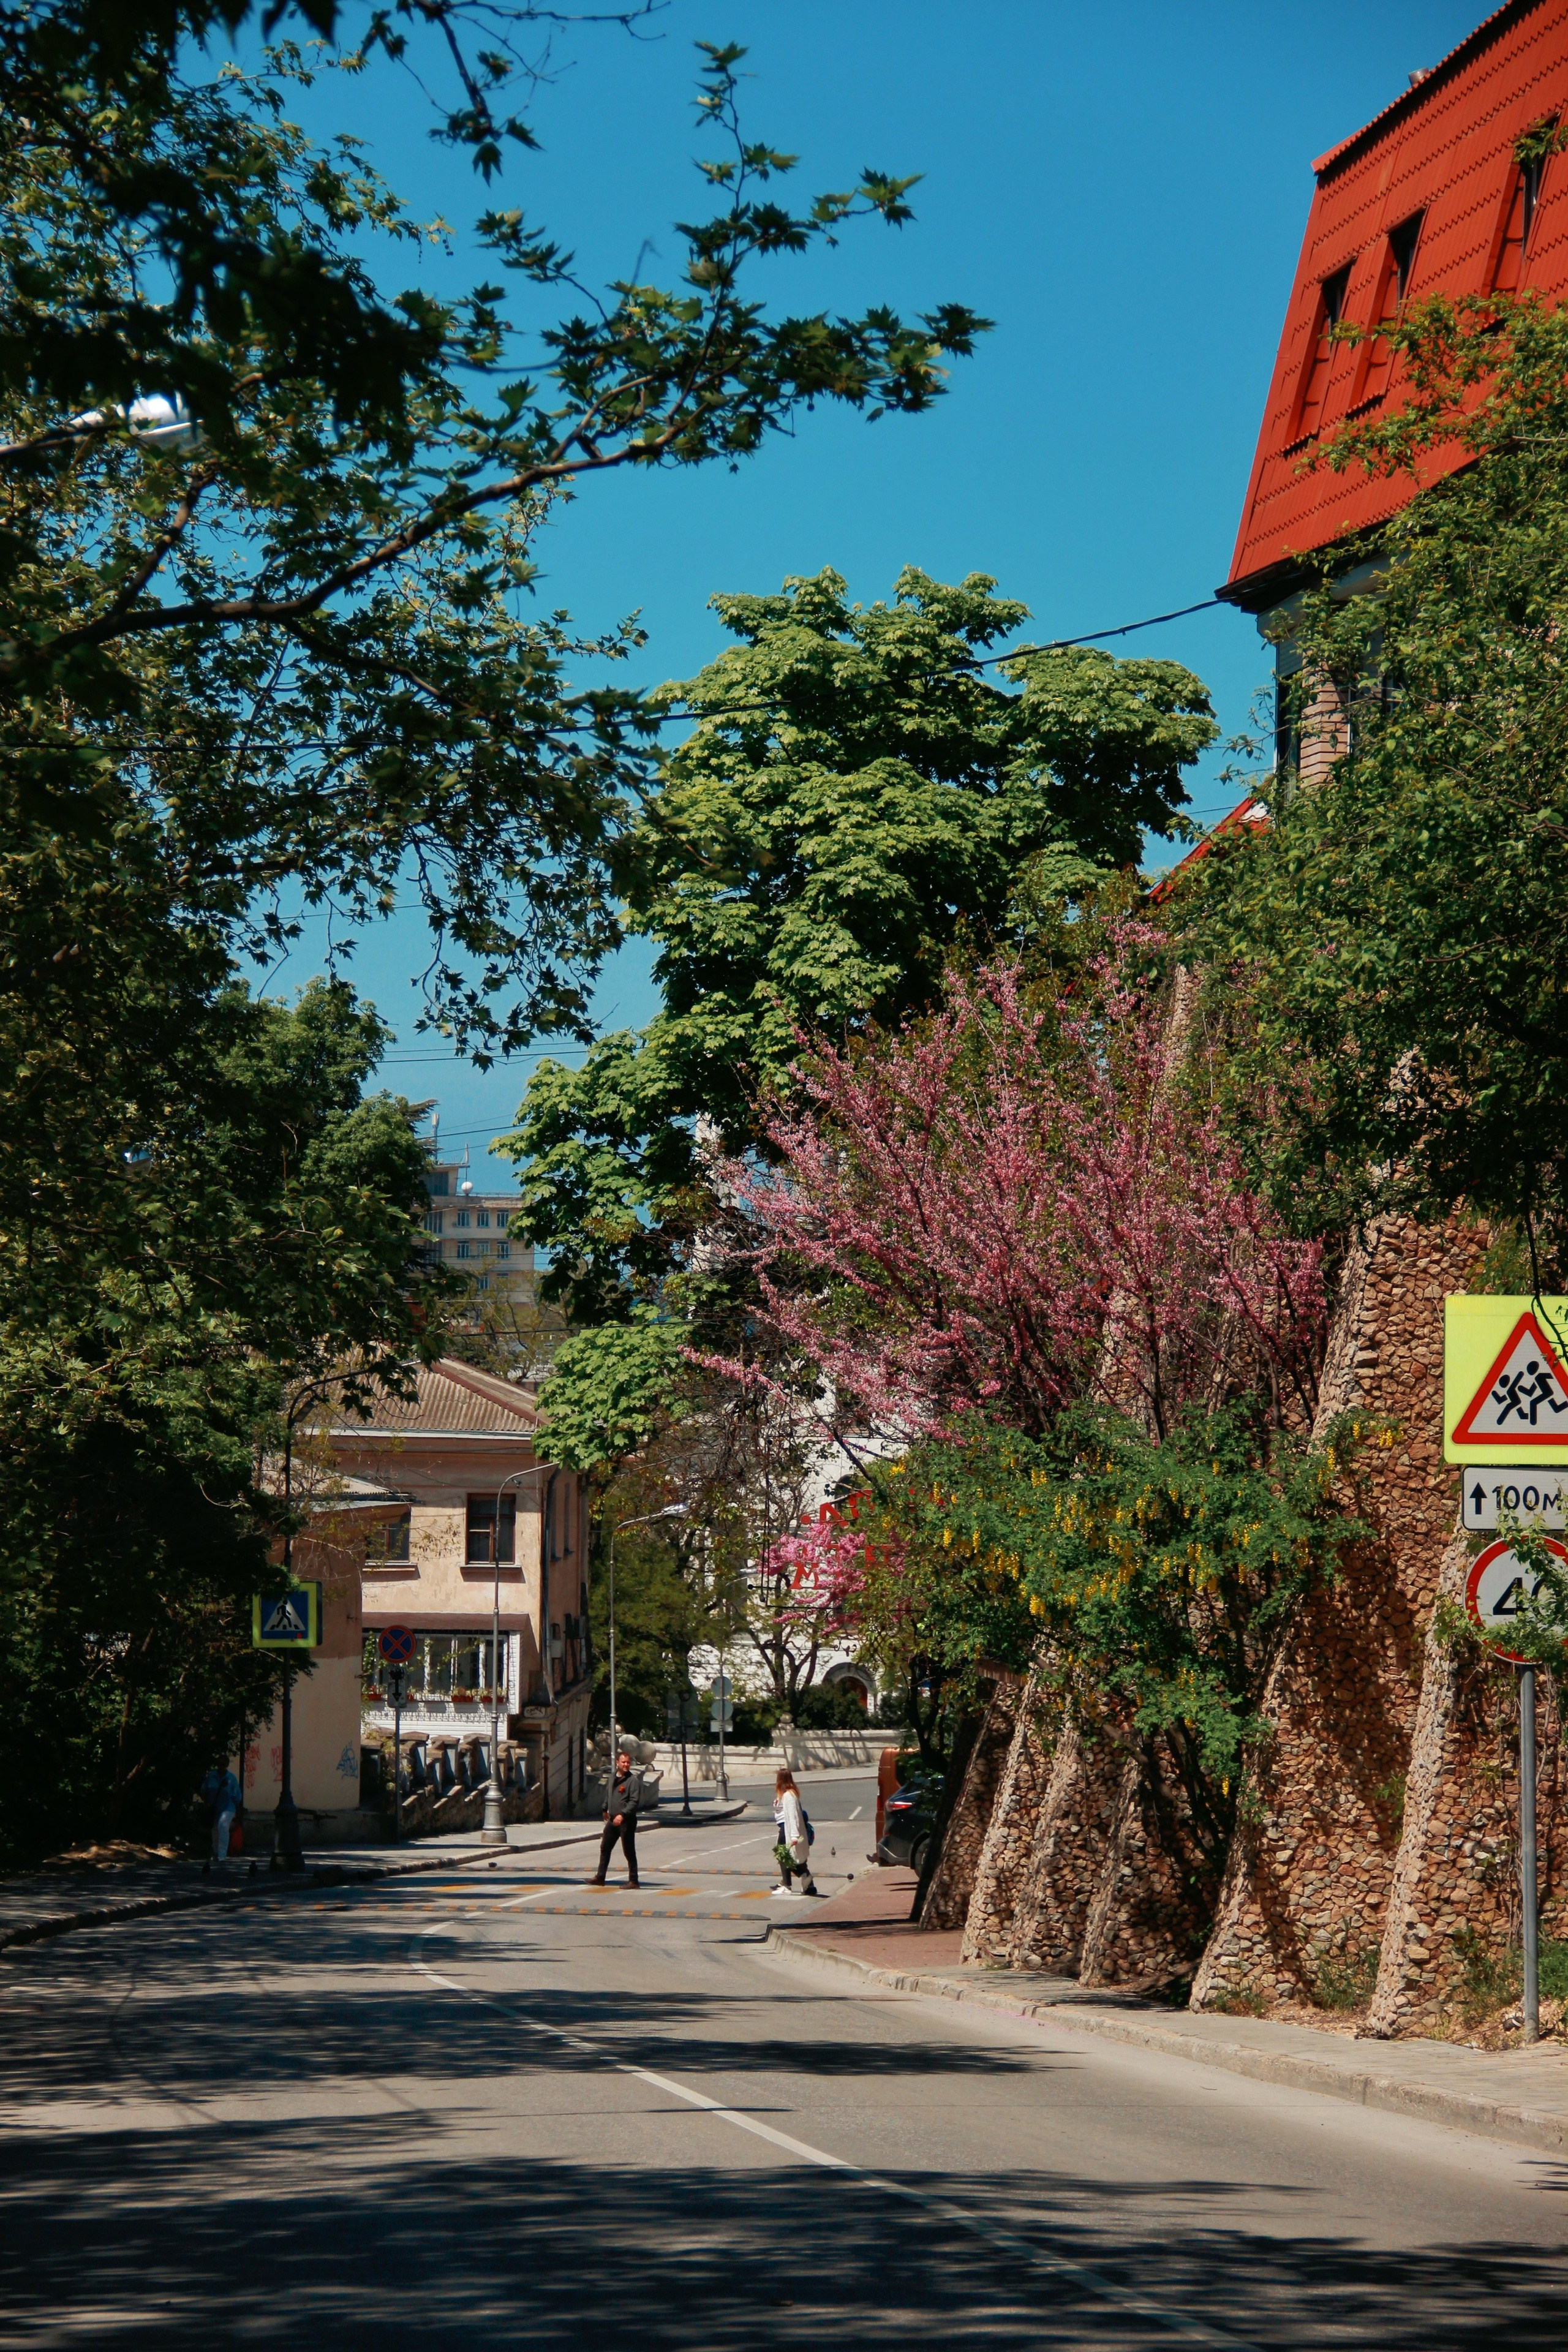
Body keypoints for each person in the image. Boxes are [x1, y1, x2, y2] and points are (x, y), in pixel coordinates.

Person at [594, 1750, 641, 1888]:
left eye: (628, 1762)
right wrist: (604, 1809)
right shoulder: (613, 1778)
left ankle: (634, 1881)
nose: (626, 1765)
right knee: (605, 1847)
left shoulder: (632, 1781)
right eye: (624, 1762)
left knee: (629, 1850)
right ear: (617, 1763)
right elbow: (609, 1795)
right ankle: (600, 1877)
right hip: (613, 1820)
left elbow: (634, 1802)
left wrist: (623, 1814)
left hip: (626, 1821)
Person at [772, 1768, 820, 1897]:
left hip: (787, 1830)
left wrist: (794, 1836)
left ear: (780, 1780)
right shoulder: (787, 1794)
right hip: (786, 1829)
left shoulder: (789, 1796)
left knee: (783, 1855)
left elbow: (793, 1816)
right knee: (790, 1857)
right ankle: (805, 1878)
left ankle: (788, 1885)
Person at [200, 1762, 241, 1870]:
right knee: (215, 1829)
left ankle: (222, 1854)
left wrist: (238, 1811)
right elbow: (204, 1790)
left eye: (224, 1764)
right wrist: (206, 1803)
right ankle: (216, 1851)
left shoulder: (231, 1778)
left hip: (228, 1807)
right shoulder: (211, 1776)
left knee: (223, 1826)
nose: (221, 1766)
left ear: (226, 1765)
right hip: (215, 1808)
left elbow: (237, 1796)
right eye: (220, 1763)